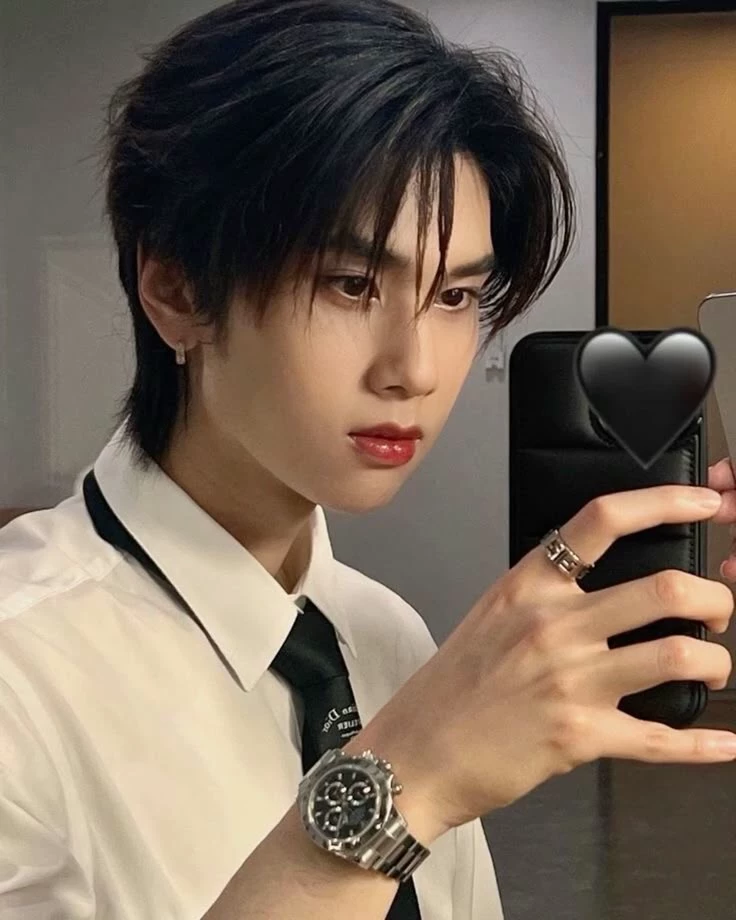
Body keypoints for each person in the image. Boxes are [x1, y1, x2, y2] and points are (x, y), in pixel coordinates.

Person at [1, 2, 735, 918]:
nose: (415, 370)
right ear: (177, 290)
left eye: (455, 296)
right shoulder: (22, 671)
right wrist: (408, 780)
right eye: (351, 284)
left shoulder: (387, 635)